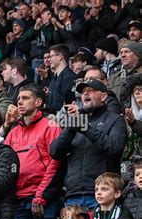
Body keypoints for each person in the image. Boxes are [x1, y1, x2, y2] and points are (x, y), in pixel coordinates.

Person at [4, 84, 64, 219]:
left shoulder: (50, 126)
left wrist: (41, 196)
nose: (19, 102)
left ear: (38, 102)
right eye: (18, 99)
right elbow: (4, 164)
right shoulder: (13, 132)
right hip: (19, 199)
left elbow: (56, 162)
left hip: (43, 198)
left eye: (25, 98)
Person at [50, 79, 127, 210]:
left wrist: (85, 128)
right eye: (83, 92)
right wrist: (70, 129)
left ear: (103, 96)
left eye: (90, 91)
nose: (85, 94)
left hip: (101, 194)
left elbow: (115, 148)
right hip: (73, 195)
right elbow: (54, 152)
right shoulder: (75, 120)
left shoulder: (115, 119)